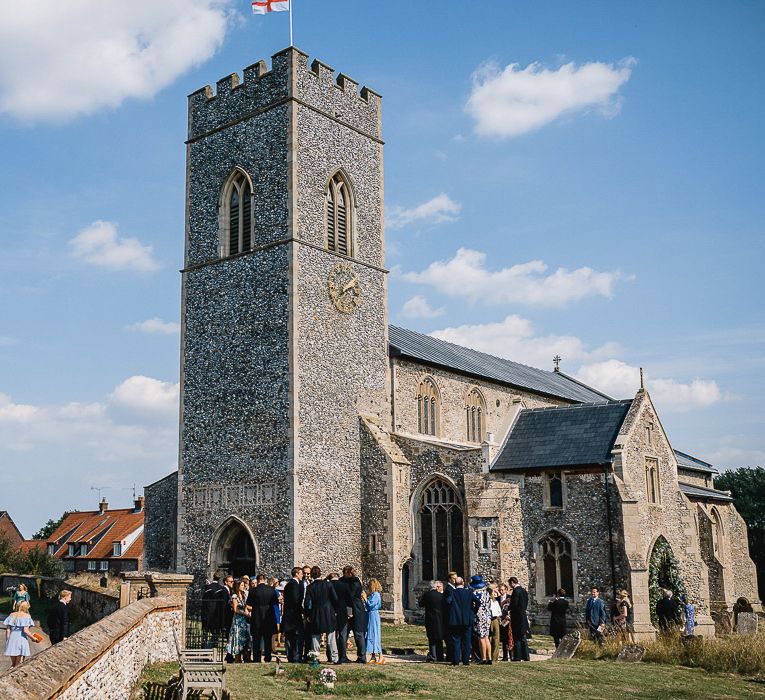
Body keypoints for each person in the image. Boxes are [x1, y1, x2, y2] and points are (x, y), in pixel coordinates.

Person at [305, 566, 339, 663]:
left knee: (315, 636)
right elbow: (335, 599)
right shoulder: (328, 585)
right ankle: (335, 658)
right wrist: (335, 611)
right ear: (320, 573)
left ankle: (315, 657)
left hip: (316, 613)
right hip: (329, 612)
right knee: (331, 637)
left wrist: (308, 615)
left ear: (311, 575)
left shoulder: (310, 587)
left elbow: (307, 603)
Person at [246, 574, 279, 663]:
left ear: (257, 580)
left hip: (257, 617)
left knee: (256, 639)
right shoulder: (271, 590)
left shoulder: (253, 591)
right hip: (268, 617)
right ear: (264, 579)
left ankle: (257, 658)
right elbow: (275, 602)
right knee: (268, 639)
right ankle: (267, 657)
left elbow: (249, 603)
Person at [445, 577, 477, 666]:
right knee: (467, 641)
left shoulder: (453, 593)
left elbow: (447, 602)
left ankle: (456, 660)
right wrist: (473, 610)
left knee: (456, 641)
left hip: (456, 620)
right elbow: (477, 602)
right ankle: (465, 661)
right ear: (463, 583)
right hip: (467, 620)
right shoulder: (469, 592)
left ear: (455, 584)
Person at [342, 566, 368, 663]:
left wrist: (350, 611)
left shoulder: (355, 583)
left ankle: (362, 657)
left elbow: (351, 597)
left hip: (355, 611)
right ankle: (344, 655)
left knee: (358, 634)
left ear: (349, 573)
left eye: (345, 573)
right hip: (353, 610)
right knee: (344, 634)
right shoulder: (353, 582)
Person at [282, 567, 305, 663]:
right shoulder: (295, 584)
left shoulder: (288, 585)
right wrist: (303, 611)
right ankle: (295, 657)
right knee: (296, 637)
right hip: (294, 615)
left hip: (288, 615)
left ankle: (291, 656)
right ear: (296, 574)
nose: (302, 575)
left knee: (289, 637)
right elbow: (296, 601)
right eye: (301, 573)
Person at [225, 579, 251, 662]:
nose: (244, 587)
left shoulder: (243, 596)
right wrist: (245, 614)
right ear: (238, 586)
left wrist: (248, 613)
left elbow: (245, 607)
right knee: (238, 639)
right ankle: (237, 659)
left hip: (243, 621)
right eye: (242, 585)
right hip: (238, 620)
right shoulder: (234, 596)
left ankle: (243, 657)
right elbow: (236, 610)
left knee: (244, 639)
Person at [4, 600, 36, 667]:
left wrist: (8, 641)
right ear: (25, 607)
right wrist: (33, 638)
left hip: (12, 639)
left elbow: (8, 630)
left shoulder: (11, 615)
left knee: (13, 664)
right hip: (21, 639)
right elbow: (25, 630)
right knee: (19, 664)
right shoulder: (27, 616)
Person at [419, 580, 445, 662]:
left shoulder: (427, 595)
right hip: (440, 619)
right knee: (439, 637)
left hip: (430, 619)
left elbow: (420, 604)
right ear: (436, 587)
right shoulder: (441, 595)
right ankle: (440, 656)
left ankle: (433, 656)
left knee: (431, 638)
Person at [202, 573, 229, 649]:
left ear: (213, 577)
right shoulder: (221, 589)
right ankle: (209, 648)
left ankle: (205, 649)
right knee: (215, 634)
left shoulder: (207, 588)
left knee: (206, 633)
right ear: (219, 579)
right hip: (217, 614)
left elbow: (204, 602)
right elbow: (222, 604)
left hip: (207, 613)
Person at [470, 575, 492, 664]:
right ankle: (489, 658)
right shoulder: (486, 593)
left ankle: (483, 658)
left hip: (480, 615)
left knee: (481, 637)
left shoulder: (475, 594)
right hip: (487, 615)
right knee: (486, 637)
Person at [331, 571, 351, 664]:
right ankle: (342, 656)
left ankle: (331, 655)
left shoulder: (328, 585)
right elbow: (349, 600)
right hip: (342, 612)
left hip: (331, 612)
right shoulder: (344, 585)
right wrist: (350, 612)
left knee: (331, 635)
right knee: (342, 635)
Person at [508, 577, 530, 661]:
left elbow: (514, 604)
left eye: (510, 584)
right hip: (523, 615)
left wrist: (508, 607)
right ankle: (526, 656)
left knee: (517, 637)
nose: (510, 585)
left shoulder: (516, 591)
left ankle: (517, 656)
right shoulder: (524, 590)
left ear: (513, 582)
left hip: (517, 616)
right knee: (523, 637)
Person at [365, 578, 383, 663]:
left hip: (374, 615)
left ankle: (381, 656)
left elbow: (371, 604)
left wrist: (365, 599)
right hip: (370, 615)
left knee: (375, 634)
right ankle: (373, 656)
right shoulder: (372, 595)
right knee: (370, 634)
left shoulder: (376, 594)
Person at [300, 565, 312, 661]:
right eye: (304, 573)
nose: (306, 575)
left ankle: (307, 654)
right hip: (301, 610)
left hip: (308, 611)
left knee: (308, 634)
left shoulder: (311, 583)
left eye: (308, 573)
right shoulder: (299, 583)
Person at [499, 585, 513, 661]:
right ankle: (505, 656)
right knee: (504, 639)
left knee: (510, 638)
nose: (501, 591)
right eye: (500, 590)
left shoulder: (510, 597)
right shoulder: (498, 599)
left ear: (506, 590)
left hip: (509, 621)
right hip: (502, 621)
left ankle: (511, 655)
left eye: (502, 590)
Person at [489, 585, 502, 664]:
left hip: (495, 619)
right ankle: (489, 656)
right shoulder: (487, 601)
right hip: (489, 619)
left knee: (496, 639)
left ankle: (494, 657)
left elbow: (499, 612)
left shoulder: (496, 601)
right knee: (489, 638)